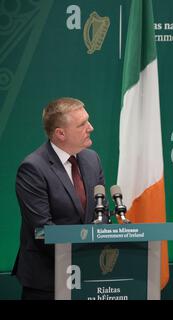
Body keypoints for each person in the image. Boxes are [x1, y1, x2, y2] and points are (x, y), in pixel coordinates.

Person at [12, 97, 105, 300]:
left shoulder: (92, 159)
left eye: (87, 121)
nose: (91, 127)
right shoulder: (33, 169)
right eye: (82, 124)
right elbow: (43, 231)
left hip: (89, 278)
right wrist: (88, 256)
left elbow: (102, 212)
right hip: (47, 282)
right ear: (60, 133)